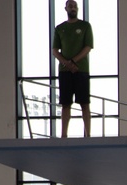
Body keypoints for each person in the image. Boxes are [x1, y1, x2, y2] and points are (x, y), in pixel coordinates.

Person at [52, 0, 93, 138]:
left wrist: (73, 61)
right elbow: (55, 50)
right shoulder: (59, 28)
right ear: (66, 9)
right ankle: (64, 135)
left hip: (81, 70)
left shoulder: (85, 26)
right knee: (65, 104)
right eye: (70, 6)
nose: (73, 8)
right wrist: (66, 63)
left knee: (84, 103)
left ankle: (87, 135)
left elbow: (88, 47)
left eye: (75, 6)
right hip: (65, 72)